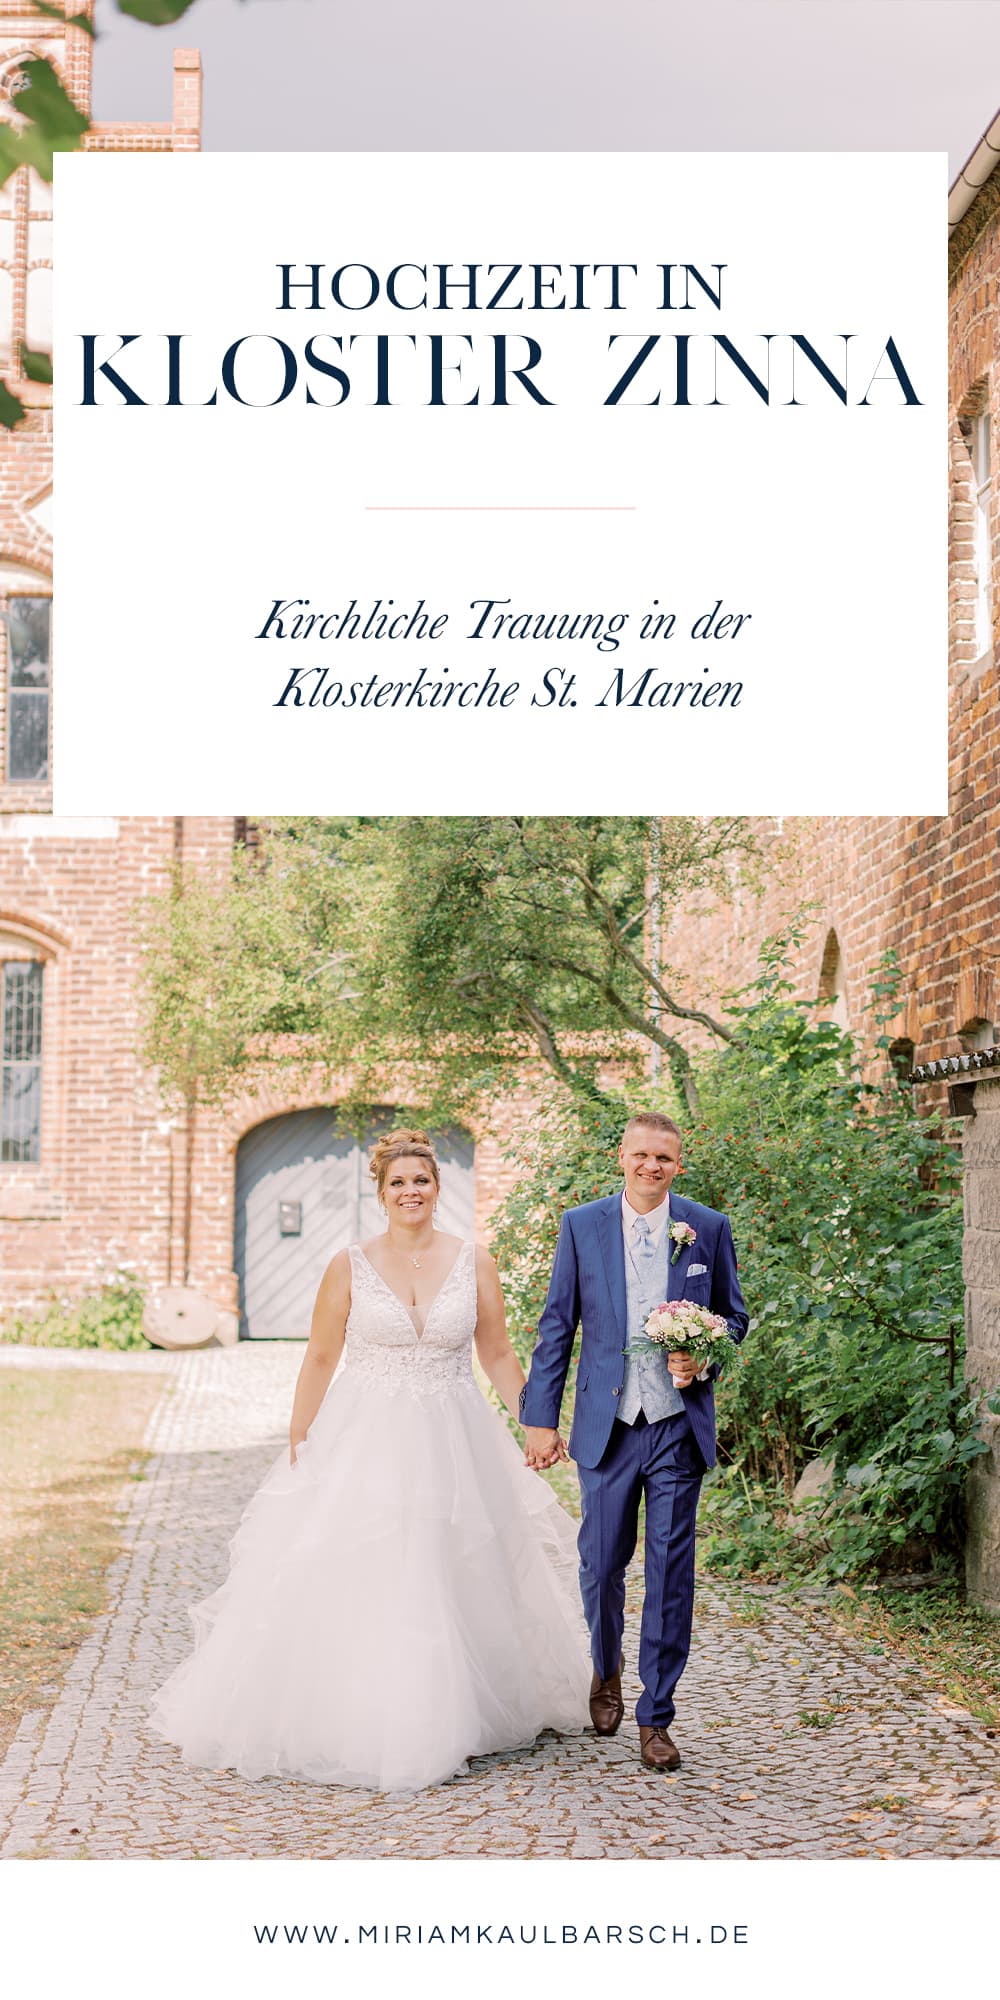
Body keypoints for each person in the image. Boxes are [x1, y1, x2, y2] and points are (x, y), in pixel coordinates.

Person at [150, 1129, 590, 1793]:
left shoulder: (474, 1261)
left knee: (452, 1562)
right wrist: (302, 1434)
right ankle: (372, 1715)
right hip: (368, 1434)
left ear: (438, 1188)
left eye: (421, 1181)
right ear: (380, 1194)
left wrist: (535, 1421)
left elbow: (496, 1352)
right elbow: (322, 1355)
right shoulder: (348, 1265)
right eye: (398, 1184)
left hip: (452, 1431)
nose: (410, 1192)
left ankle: (458, 1711)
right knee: (373, 1562)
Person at [520, 1111, 748, 1772]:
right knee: (599, 1565)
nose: (652, 1167)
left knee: (671, 1570)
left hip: (677, 1427)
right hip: (607, 1427)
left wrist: (704, 1360)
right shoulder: (581, 1225)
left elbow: (734, 1317)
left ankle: (657, 1717)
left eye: (664, 1160)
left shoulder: (707, 1227)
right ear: (621, 1157)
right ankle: (604, 1669)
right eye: (641, 1155)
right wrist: (541, 1418)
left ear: (679, 1165)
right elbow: (557, 1324)